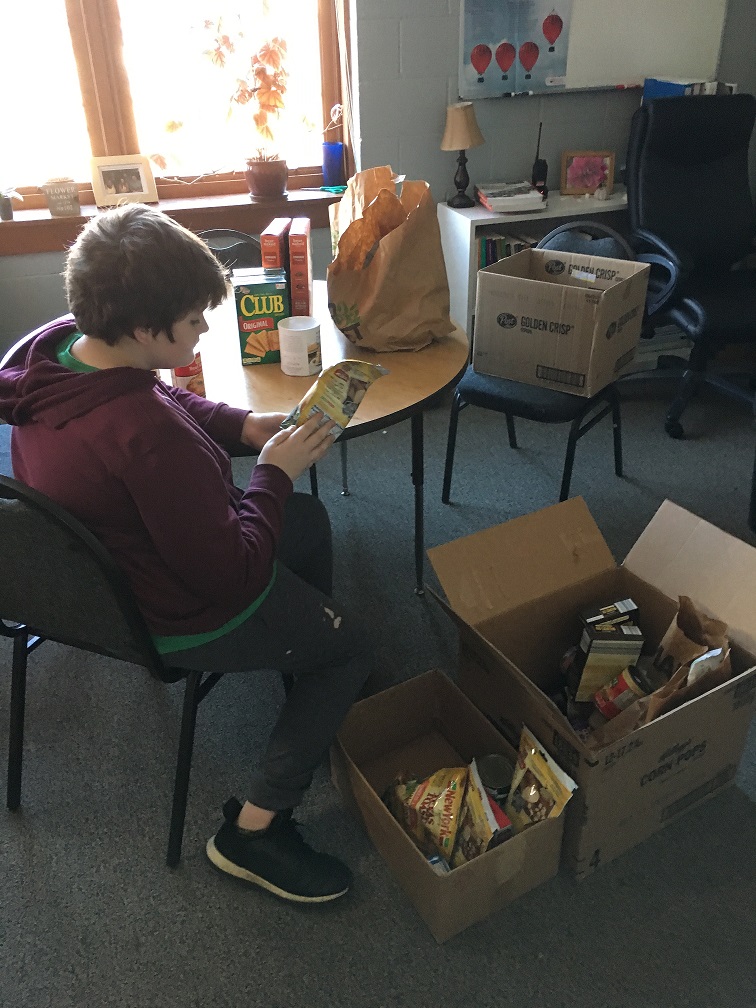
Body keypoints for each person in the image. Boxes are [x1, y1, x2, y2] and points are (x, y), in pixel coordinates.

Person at [0, 203, 371, 904]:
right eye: (197, 319)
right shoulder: (141, 438)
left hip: (107, 573)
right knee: (355, 645)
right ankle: (255, 832)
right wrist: (275, 472)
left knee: (308, 522)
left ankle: (301, 660)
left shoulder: (56, 350)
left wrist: (247, 427)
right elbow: (228, 577)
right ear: (146, 328)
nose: (205, 329)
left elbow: (163, 401)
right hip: (183, 610)